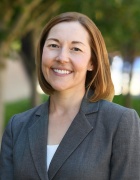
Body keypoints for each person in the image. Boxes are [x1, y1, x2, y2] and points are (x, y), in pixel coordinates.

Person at [0, 12, 140, 180]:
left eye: (75, 49)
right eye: (53, 45)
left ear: (92, 62)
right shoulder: (17, 127)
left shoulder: (120, 122)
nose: (62, 57)